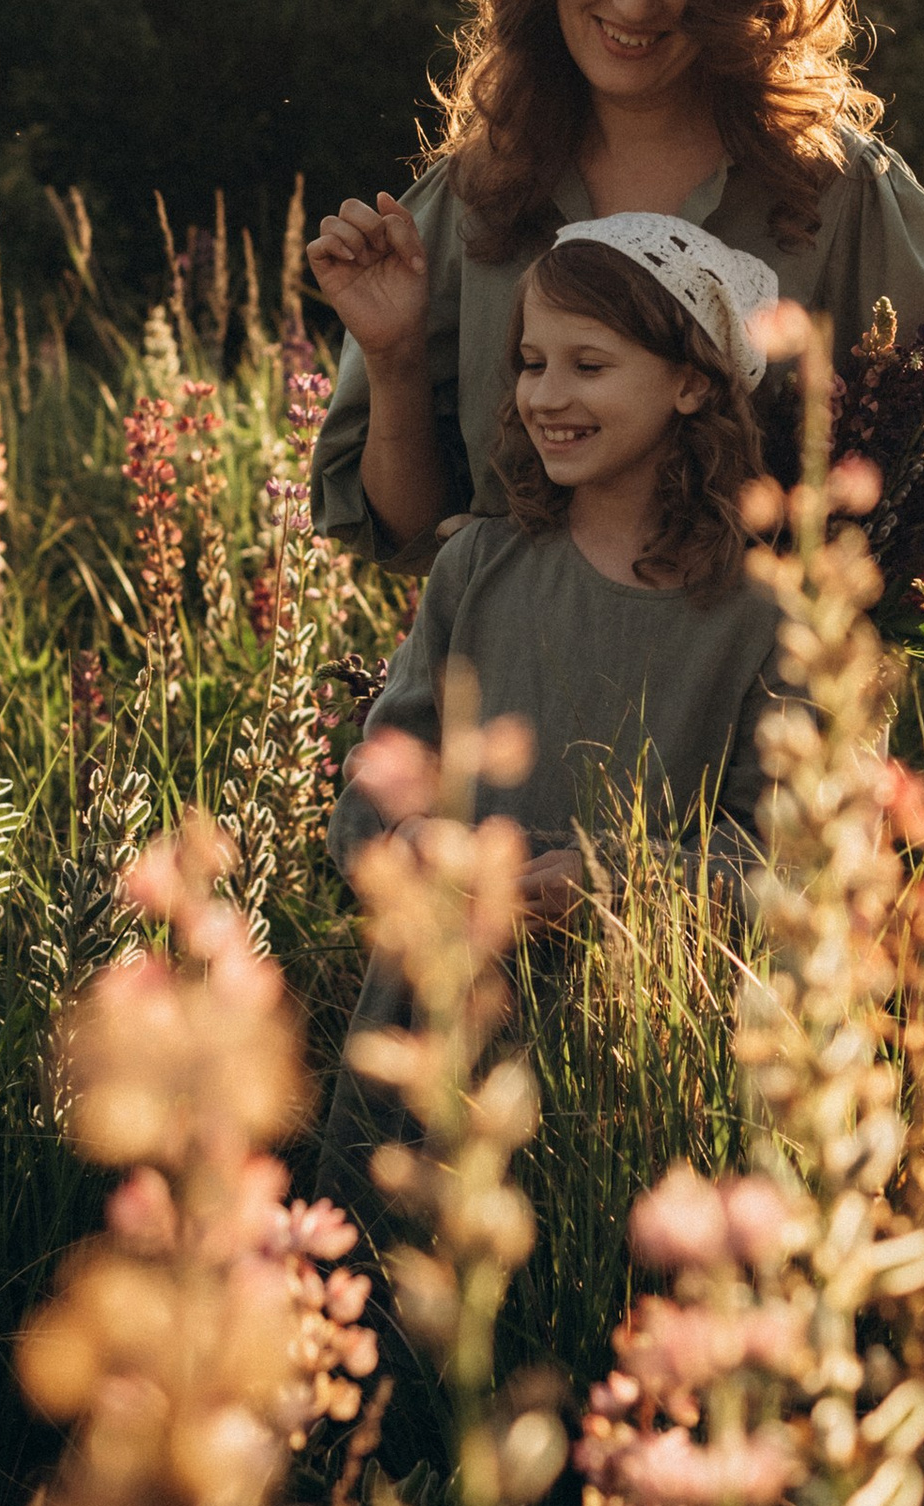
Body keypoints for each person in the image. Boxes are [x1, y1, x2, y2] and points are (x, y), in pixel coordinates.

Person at [308, 0, 924, 561]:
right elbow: (407, 536)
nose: (635, 2)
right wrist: (396, 359)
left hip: (753, 687)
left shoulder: (847, 198)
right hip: (506, 685)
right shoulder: (479, 190)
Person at [316, 214, 787, 1202]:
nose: (546, 394)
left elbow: (784, 866)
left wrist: (615, 883)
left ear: (693, 380)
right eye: (531, 361)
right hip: (435, 1023)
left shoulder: (765, 614)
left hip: (643, 1045)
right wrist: (406, 845)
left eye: (588, 363)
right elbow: (376, 782)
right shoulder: (480, 566)